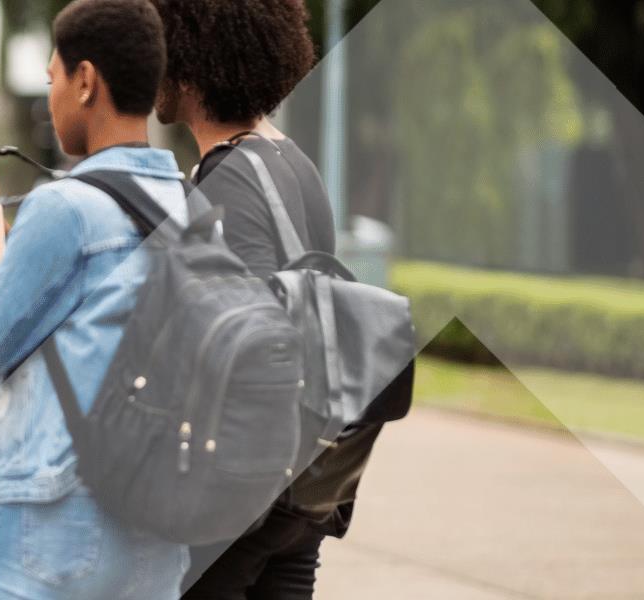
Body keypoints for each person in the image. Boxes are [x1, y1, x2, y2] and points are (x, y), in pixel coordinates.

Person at [0, 0, 190, 597]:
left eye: (52, 79)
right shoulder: (192, 203)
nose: (51, 98)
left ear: (85, 80)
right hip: (160, 525)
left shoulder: (66, 207)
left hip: (56, 521)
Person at [150, 1, 371, 598]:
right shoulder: (293, 163)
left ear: (191, 61)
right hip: (306, 492)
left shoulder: (230, 178)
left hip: (245, 498)